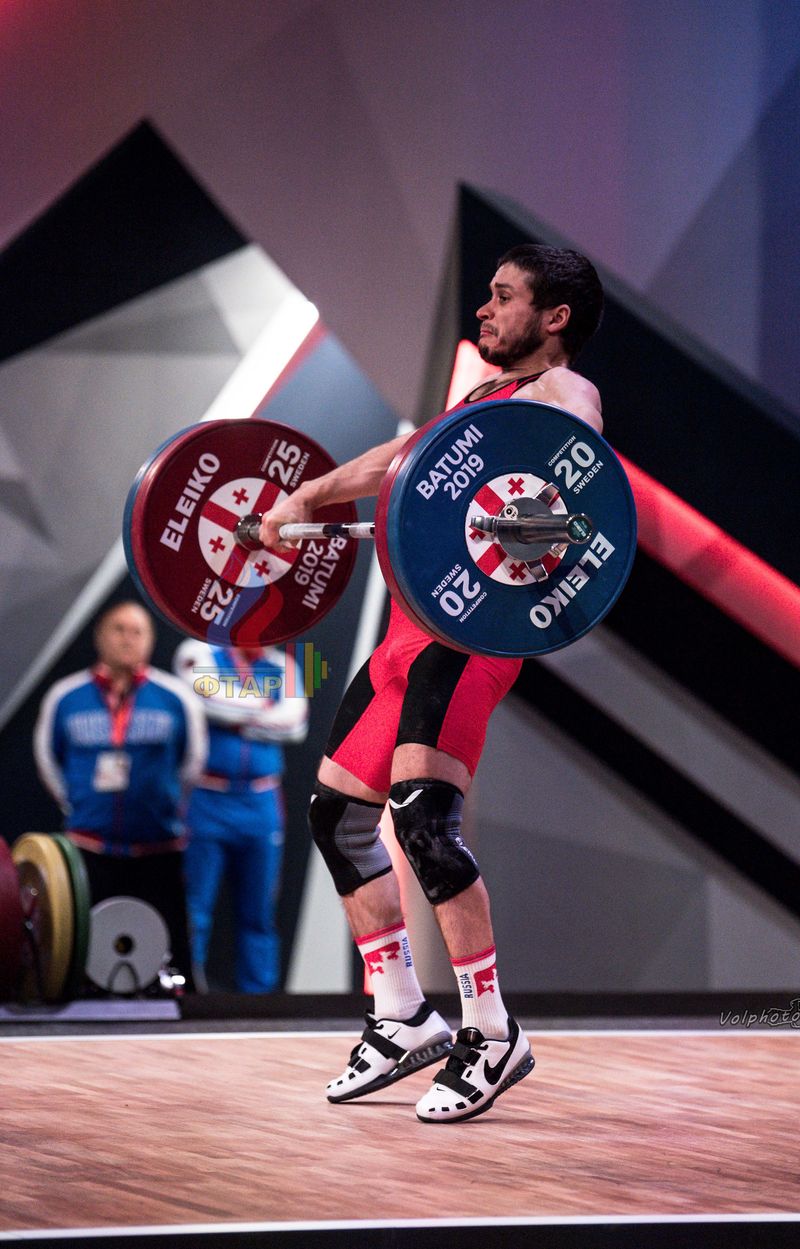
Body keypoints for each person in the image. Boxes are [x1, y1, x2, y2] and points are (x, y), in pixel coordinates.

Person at [259, 244, 605, 1123]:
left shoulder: (561, 392)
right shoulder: (482, 401)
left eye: (502, 296)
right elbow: (400, 459)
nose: (483, 309)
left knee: (420, 819)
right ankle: (402, 1012)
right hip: (405, 637)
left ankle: (490, 1030)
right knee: (337, 817)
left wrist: (526, 519)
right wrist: (307, 498)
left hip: (468, 636)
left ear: (554, 316)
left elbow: (575, 488)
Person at [33, 600, 207, 988]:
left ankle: (183, 1006)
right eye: (119, 629)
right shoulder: (66, 696)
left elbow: (191, 763)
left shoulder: (175, 697)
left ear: (150, 640)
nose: (128, 639)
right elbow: (48, 760)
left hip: (158, 848)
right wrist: (77, 803)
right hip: (88, 847)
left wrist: (164, 803)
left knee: (172, 950)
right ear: (100, 637)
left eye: (137, 631)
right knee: (81, 952)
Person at [173, 639, 308, 993]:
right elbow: (205, 700)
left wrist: (236, 718)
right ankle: (186, 993)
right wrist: (266, 708)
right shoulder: (199, 652)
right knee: (195, 908)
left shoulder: (285, 666)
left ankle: (259, 999)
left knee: (260, 911)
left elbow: (295, 725)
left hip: (261, 802)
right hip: (207, 798)